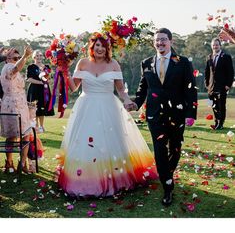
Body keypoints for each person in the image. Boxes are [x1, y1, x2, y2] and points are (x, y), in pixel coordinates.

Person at [56, 32, 158, 198]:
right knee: (85, 143)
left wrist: (127, 101)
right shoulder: (82, 63)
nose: (100, 49)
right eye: (97, 45)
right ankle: (84, 181)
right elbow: (74, 88)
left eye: (103, 46)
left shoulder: (114, 64)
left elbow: (120, 90)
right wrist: (65, 72)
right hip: (86, 107)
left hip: (108, 106)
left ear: (107, 48)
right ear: (92, 47)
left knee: (111, 142)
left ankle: (116, 179)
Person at [134, 28, 197, 206]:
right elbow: (143, 88)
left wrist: (190, 113)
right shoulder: (146, 63)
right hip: (155, 116)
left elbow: (190, 88)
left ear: (170, 41)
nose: (160, 43)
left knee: (175, 149)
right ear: (154, 43)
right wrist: (135, 103)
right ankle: (167, 186)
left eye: (163, 40)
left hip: (177, 114)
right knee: (160, 151)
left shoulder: (183, 62)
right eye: (157, 40)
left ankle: (165, 174)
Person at [0, 45, 33, 173]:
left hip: (15, 104)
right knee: (25, 134)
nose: (17, 56)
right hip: (14, 105)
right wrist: (25, 56)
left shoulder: (11, 67)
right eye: (15, 54)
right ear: (7, 57)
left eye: (18, 55)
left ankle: (10, 163)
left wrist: (24, 57)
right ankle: (22, 164)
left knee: (12, 136)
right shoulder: (8, 67)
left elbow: (18, 67)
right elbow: (15, 68)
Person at [204, 38, 234, 130]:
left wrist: (228, 85)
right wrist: (207, 84)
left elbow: (231, 72)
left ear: (220, 46)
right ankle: (216, 122)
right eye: (213, 45)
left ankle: (221, 123)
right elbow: (207, 73)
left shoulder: (226, 57)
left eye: (217, 45)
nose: (215, 46)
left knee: (221, 106)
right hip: (211, 87)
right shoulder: (209, 57)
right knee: (214, 105)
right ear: (211, 46)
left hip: (222, 86)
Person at [26, 50, 54, 133]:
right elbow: (29, 79)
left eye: (40, 55)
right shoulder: (31, 67)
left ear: (42, 57)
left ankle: (42, 126)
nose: (39, 57)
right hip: (34, 89)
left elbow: (50, 78)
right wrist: (41, 82)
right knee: (34, 108)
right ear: (34, 57)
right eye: (37, 55)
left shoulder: (47, 67)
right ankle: (36, 126)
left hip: (44, 90)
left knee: (42, 107)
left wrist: (49, 81)